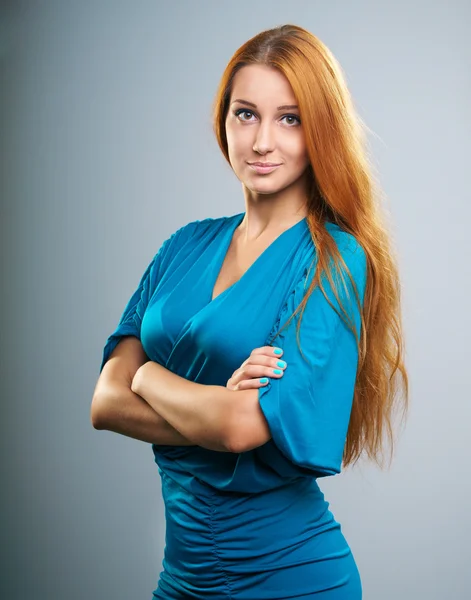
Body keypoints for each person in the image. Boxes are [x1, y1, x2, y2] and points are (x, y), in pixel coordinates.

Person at [91, 23, 408, 600]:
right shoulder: (184, 245)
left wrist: (147, 375)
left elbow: (241, 427)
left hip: (290, 577)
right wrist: (202, 409)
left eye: (290, 118)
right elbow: (105, 402)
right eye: (246, 114)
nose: (263, 141)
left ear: (321, 132)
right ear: (224, 122)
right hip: (182, 580)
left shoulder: (334, 258)